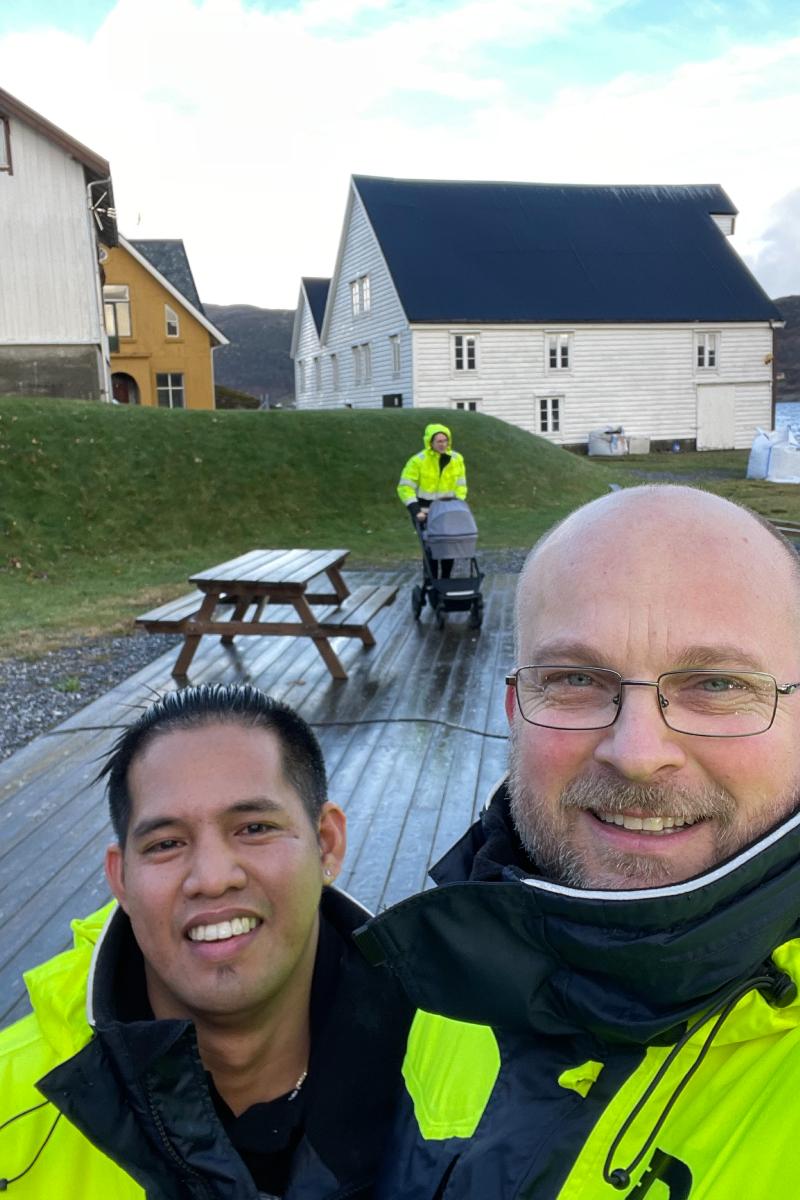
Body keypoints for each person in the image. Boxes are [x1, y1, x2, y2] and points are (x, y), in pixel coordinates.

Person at [359, 485, 800, 1198]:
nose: (637, 753)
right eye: (574, 679)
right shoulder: (433, 971)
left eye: (717, 685)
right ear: (515, 709)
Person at [0, 684, 412, 1199]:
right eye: (166, 843)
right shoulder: (12, 1109)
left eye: (255, 827)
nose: (213, 879)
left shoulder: (469, 1069)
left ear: (326, 844)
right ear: (121, 879)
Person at [397, 422, 467, 579]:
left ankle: (446, 580)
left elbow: (461, 486)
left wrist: (458, 506)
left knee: (448, 548)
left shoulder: (457, 459)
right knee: (430, 549)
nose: (443, 444)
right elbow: (405, 487)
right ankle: (430, 581)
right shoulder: (418, 461)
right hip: (424, 511)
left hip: (447, 510)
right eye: (439, 441)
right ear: (430, 442)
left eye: (445, 440)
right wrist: (415, 510)